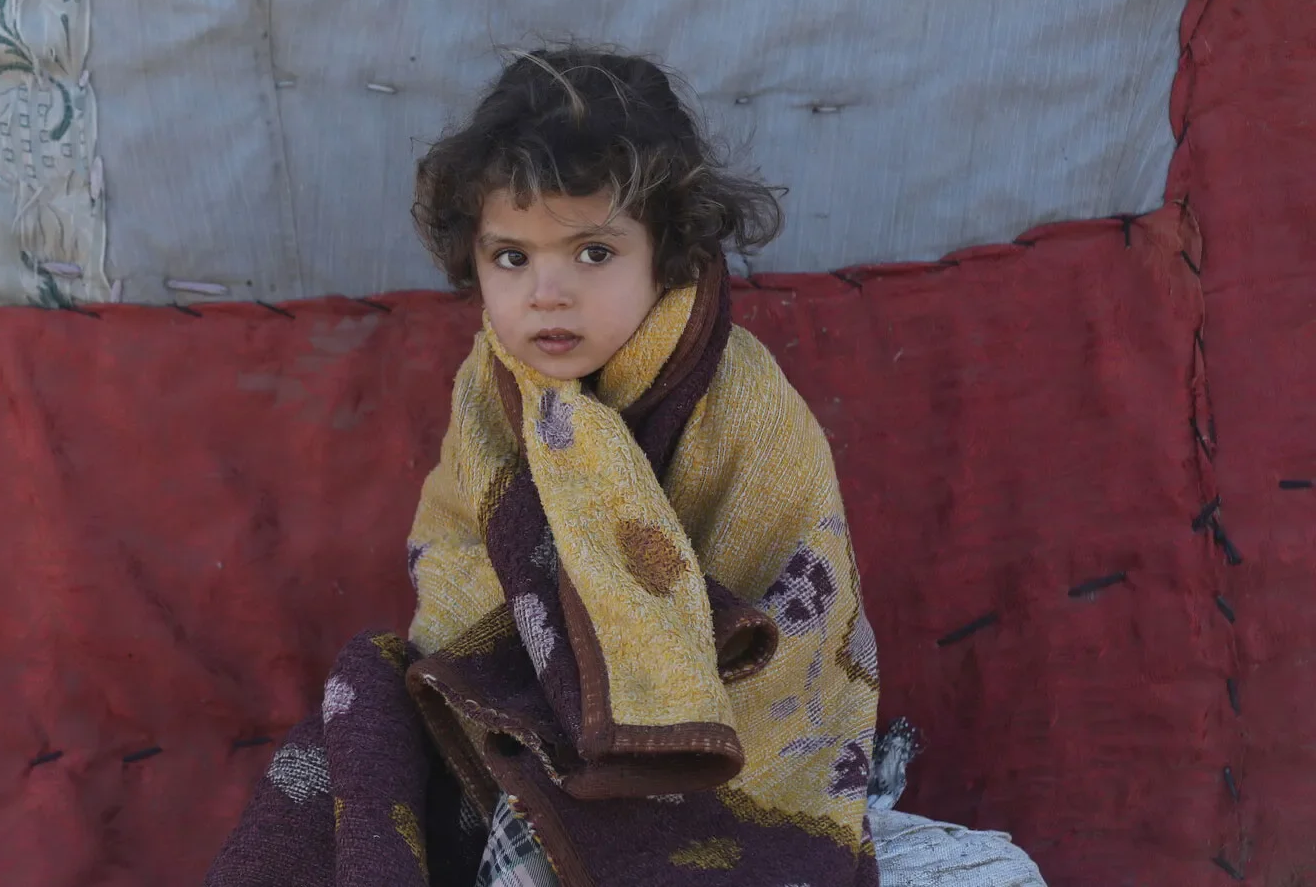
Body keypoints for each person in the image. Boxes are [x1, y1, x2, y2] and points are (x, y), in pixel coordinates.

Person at [208, 45, 879, 887]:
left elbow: (790, 602)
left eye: (592, 254)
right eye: (512, 257)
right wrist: (519, 683)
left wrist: (622, 689)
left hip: (705, 734)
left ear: (668, 249)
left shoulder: (740, 403)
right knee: (367, 714)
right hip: (527, 707)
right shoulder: (493, 390)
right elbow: (454, 550)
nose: (545, 293)